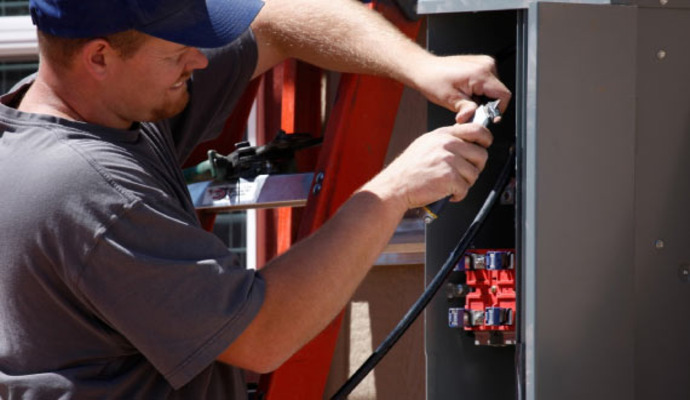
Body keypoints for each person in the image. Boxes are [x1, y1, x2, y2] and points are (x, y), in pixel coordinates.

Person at [0, 0, 511, 398]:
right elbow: (262, 334)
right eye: (179, 51)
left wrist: (419, 68)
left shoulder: (91, 109)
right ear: (99, 57)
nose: (200, 60)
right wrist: (395, 190)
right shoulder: (89, 190)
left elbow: (275, 19)